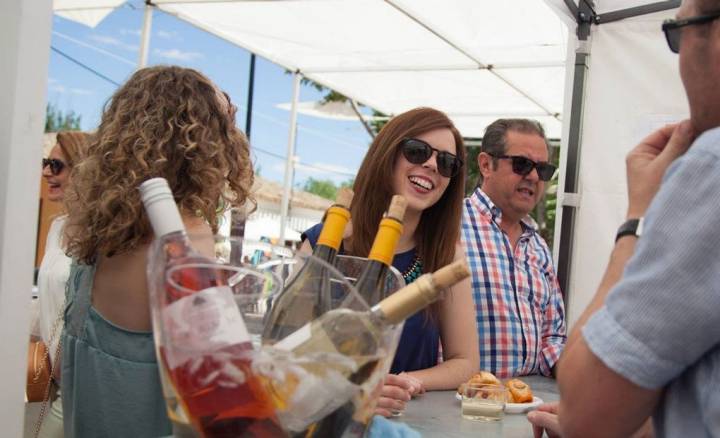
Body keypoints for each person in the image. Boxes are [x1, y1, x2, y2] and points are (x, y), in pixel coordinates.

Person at [528, 0, 719, 436]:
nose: (534, 178)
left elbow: (585, 413)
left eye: (677, 33)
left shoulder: (712, 165)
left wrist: (637, 216)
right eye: (523, 166)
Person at [60, 65, 253, 437]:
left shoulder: (97, 235)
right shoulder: (184, 238)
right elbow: (224, 390)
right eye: (226, 113)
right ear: (205, 141)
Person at [301, 107, 479, 417]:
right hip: (322, 420)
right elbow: (286, 348)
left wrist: (401, 383)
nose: (431, 165)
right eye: (417, 151)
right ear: (388, 154)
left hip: (405, 423)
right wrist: (355, 388)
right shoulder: (325, 241)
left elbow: (464, 363)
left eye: (447, 162)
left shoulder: (446, 256)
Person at [461, 118, 566, 378]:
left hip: (525, 405)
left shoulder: (538, 246)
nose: (532, 176)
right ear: (486, 164)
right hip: (454, 403)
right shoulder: (448, 225)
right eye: (522, 164)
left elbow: (553, 337)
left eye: (542, 170)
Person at [32, 131, 90, 438]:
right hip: (53, 381)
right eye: (46, 163)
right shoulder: (57, 227)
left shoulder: (100, 234)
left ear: (83, 170)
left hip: (80, 386)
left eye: (56, 165)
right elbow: (48, 295)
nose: (46, 173)